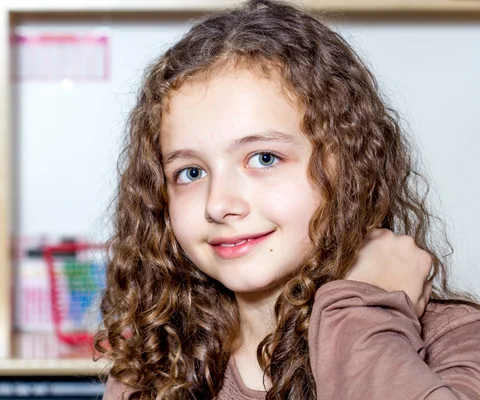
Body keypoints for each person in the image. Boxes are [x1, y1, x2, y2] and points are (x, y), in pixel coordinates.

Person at [93, 0, 480, 398]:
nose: (217, 204)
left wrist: (361, 317)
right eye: (191, 172)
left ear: (348, 166)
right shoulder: (154, 365)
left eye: (263, 158)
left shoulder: (456, 342)